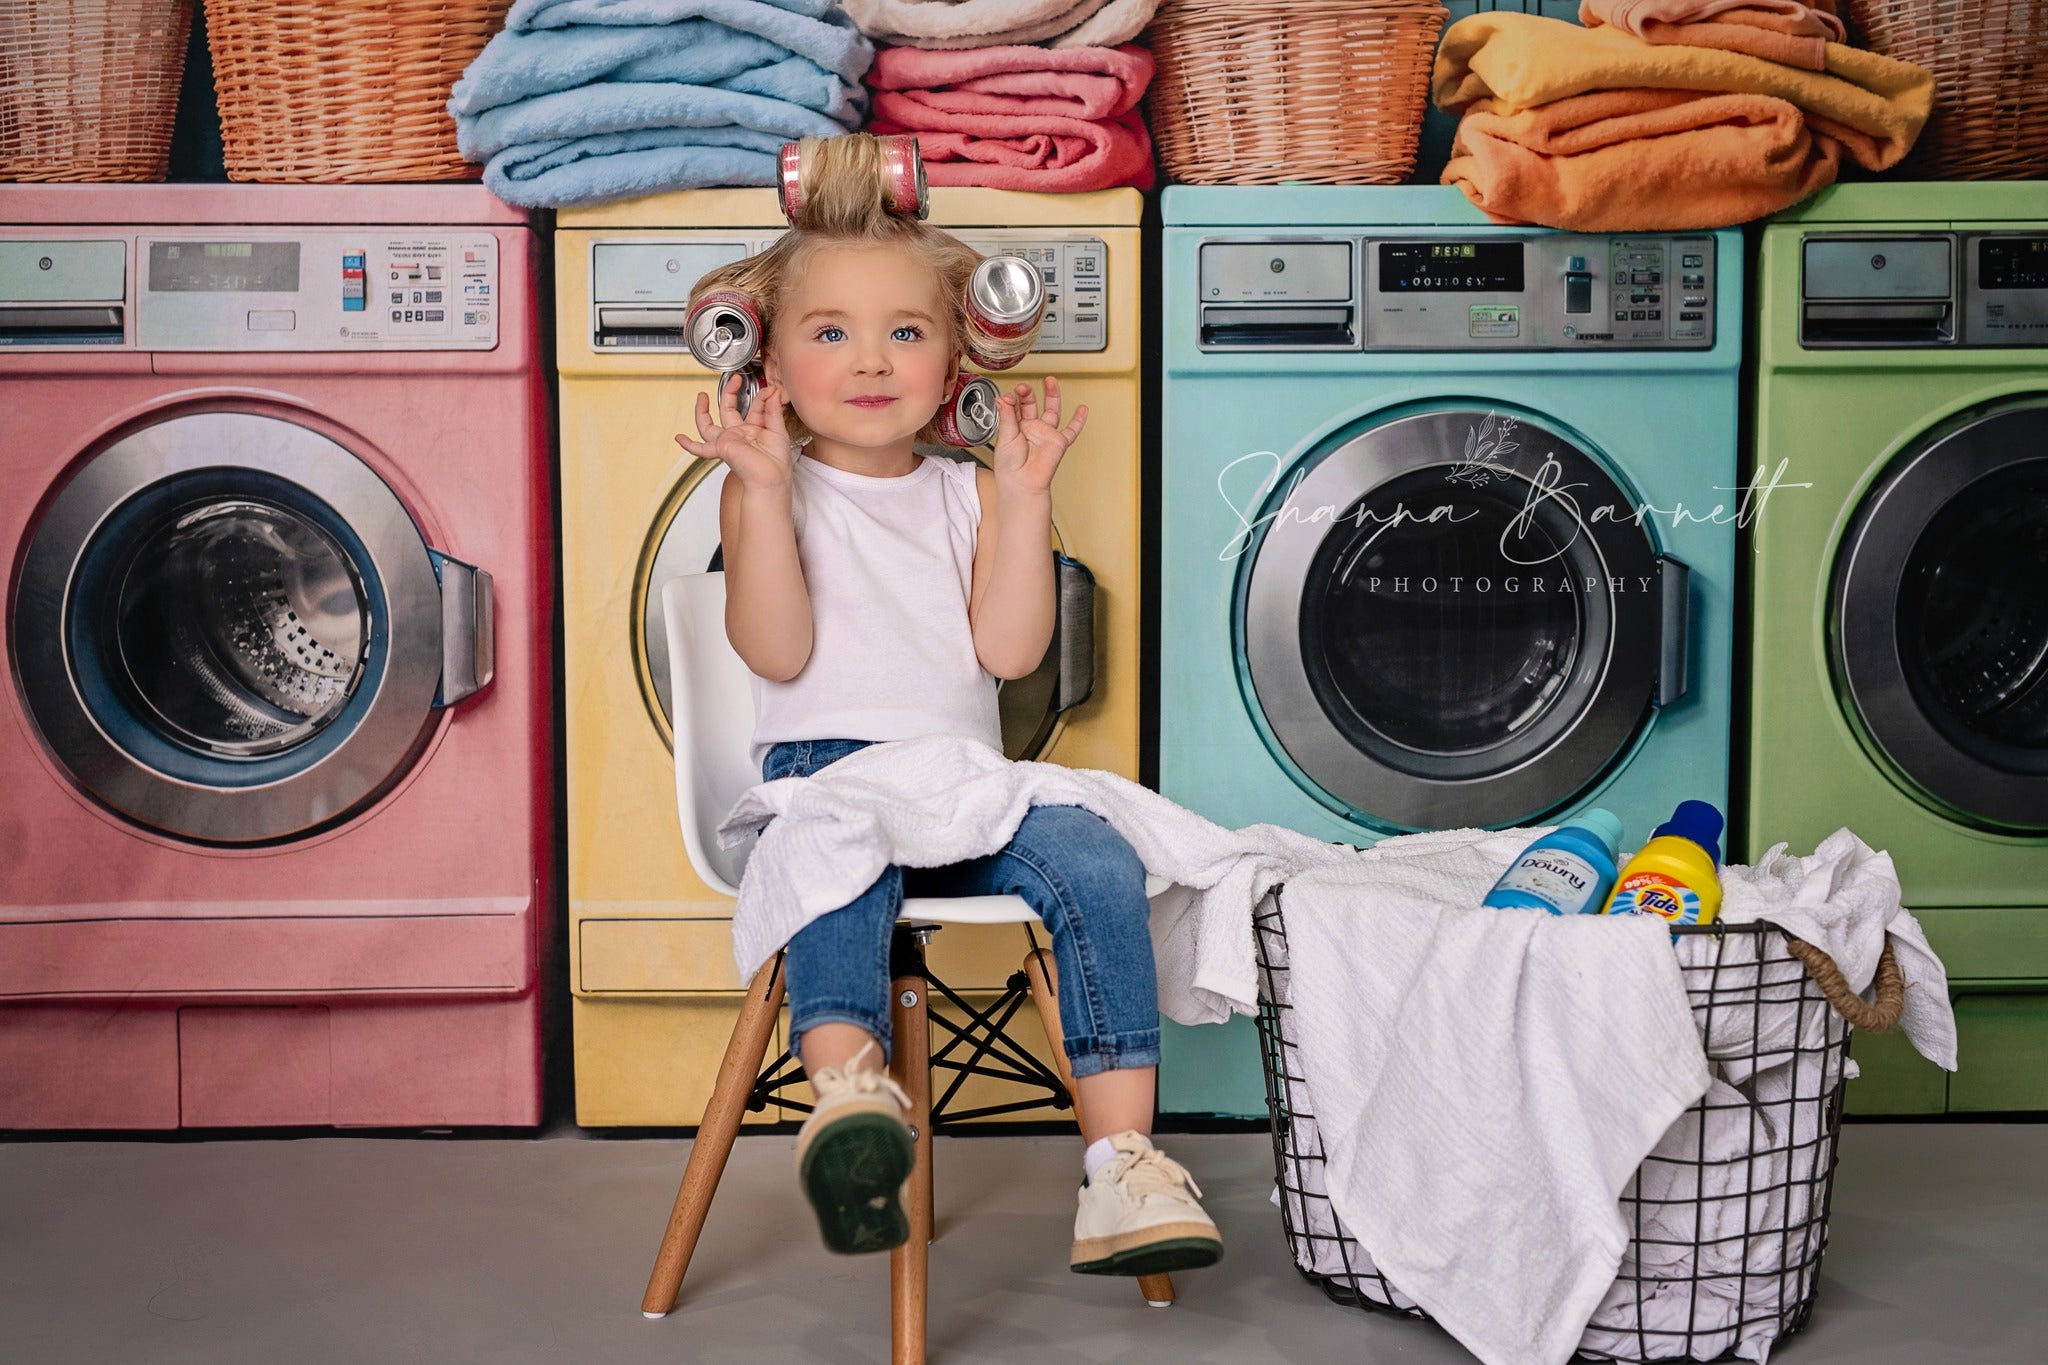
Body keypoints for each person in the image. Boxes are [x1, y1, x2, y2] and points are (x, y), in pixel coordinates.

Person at [672, 132, 1222, 1278]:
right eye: (831, 333)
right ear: (767, 357)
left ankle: (1122, 1166)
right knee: (831, 860)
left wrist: (1023, 500)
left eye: (905, 332)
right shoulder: (764, 488)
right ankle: (849, 1101)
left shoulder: (968, 489)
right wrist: (762, 491)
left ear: (952, 353)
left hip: (967, 791)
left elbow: (1010, 651)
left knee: (1097, 858)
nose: (871, 361)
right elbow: (774, 651)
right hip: (829, 775)